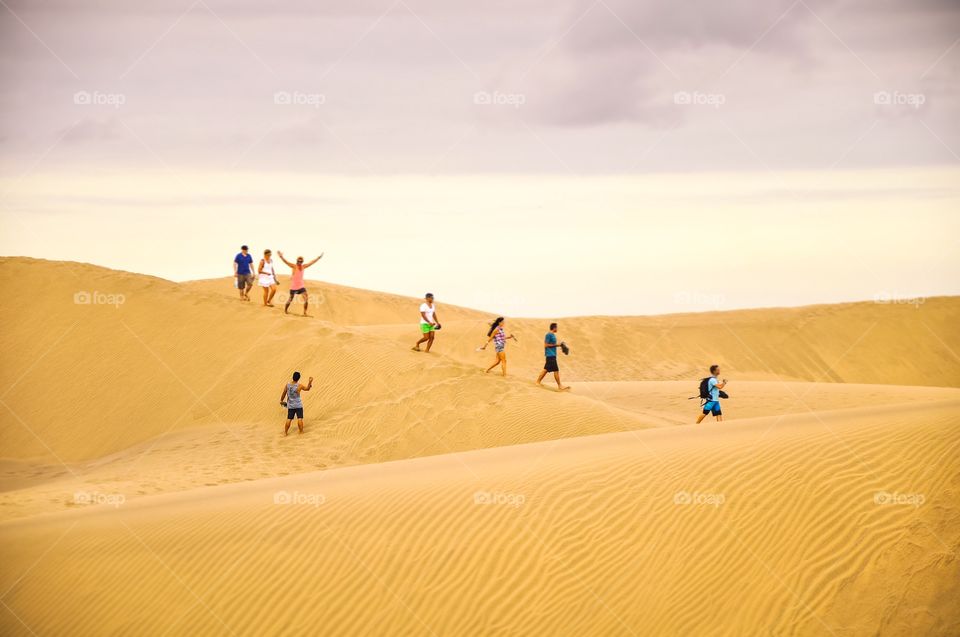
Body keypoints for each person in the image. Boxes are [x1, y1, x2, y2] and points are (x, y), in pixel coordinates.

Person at [278, 251, 323, 316]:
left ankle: (305, 313)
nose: (299, 262)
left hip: (301, 286)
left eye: (301, 261)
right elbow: (286, 262)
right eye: (298, 261)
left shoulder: (303, 266)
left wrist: (318, 258)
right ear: (297, 261)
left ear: (302, 262)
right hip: (293, 287)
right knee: (290, 299)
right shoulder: (294, 266)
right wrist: (281, 256)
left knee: (306, 299)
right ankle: (285, 310)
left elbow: (311, 262)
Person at [536, 322, 569, 391]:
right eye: (556, 327)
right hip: (550, 355)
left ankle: (538, 382)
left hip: (552, 355)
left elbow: (553, 344)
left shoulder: (553, 335)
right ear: (554, 328)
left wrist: (560, 345)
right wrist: (558, 345)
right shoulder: (548, 335)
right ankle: (560, 386)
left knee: (546, 369)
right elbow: (546, 345)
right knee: (556, 370)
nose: (557, 329)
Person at [280, 371, 314, 435]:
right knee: (300, 418)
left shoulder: (287, 385)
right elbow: (307, 389)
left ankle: (285, 432)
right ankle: (301, 432)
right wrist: (310, 382)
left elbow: (284, 393)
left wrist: (281, 400)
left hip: (291, 405)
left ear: (293, 377)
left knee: (289, 419)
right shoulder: (299, 386)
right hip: (298, 405)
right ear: (298, 378)